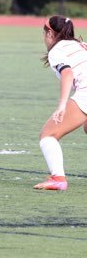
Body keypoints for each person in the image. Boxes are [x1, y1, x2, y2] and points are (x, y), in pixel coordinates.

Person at [34, 15, 87, 191]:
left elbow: (67, 74)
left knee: (48, 135)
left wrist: (62, 105)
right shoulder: (82, 45)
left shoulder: (57, 51)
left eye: (44, 32)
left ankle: (58, 179)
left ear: (50, 33)